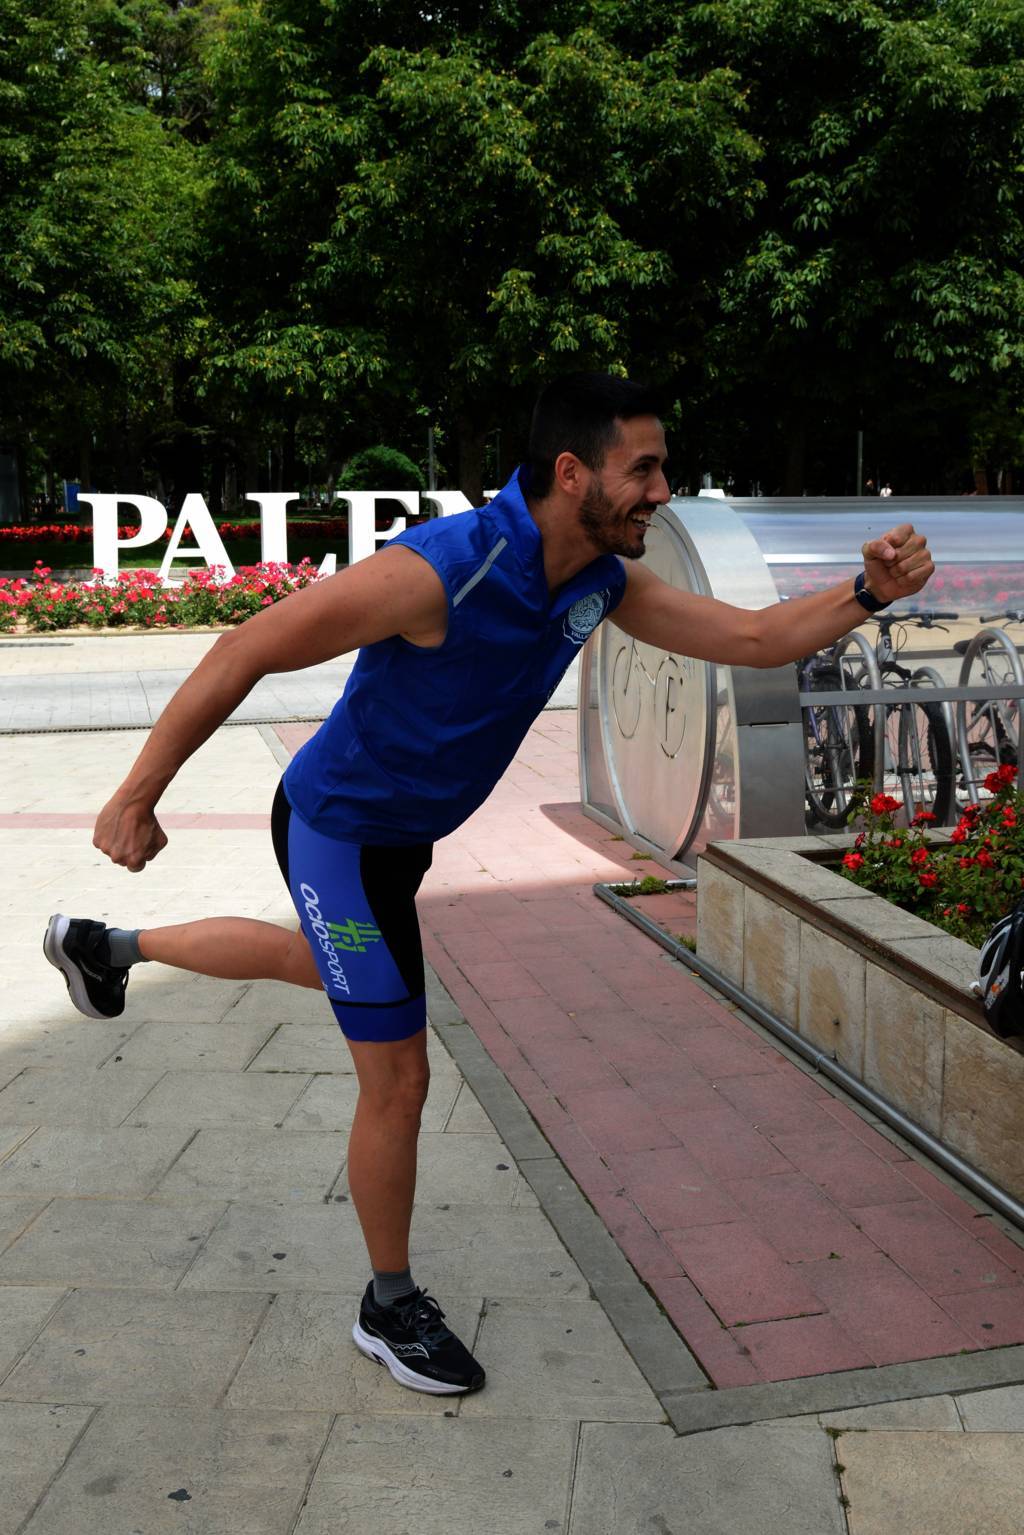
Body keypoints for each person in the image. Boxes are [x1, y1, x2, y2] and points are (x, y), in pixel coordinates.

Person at [42, 373, 934, 1396]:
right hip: (341, 833)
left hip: (399, 841)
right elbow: (248, 647)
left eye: (663, 468)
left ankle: (107, 947)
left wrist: (868, 593)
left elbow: (750, 638)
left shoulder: (598, 577)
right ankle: (388, 1305)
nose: (662, 490)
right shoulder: (444, 569)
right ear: (572, 471)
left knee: (323, 965)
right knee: (399, 1077)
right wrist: (136, 794)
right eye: (644, 468)